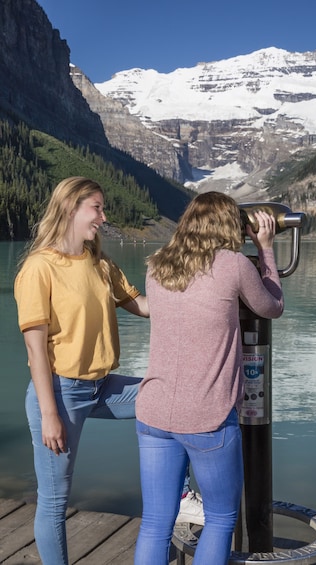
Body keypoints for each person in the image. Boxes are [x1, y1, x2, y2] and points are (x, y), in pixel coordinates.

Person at [13, 177, 202, 565]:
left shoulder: (100, 264)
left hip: (102, 387)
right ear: (70, 208)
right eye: (96, 208)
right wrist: (50, 415)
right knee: (53, 501)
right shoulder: (39, 268)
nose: (103, 216)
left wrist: (196, 297)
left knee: (174, 398)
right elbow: (35, 352)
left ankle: (183, 497)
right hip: (60, 393)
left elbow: (144, 306)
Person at [134, 191, 284, 565]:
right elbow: (272, 306)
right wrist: (265, 247)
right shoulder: (234, 265)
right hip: (207, 419)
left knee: (155, 522)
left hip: (152, 415)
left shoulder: (158, 266)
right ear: (229, 226)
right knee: (220, 518)